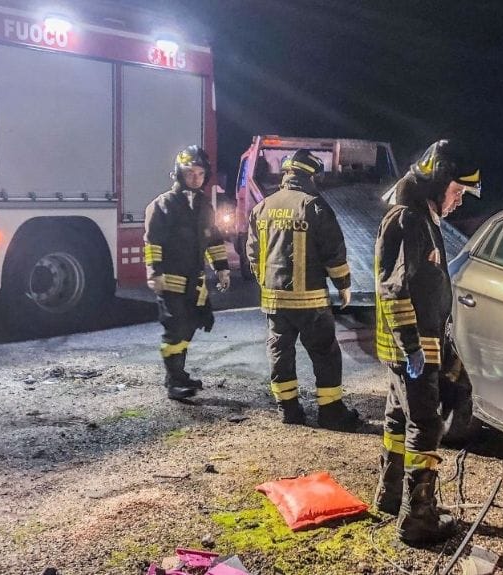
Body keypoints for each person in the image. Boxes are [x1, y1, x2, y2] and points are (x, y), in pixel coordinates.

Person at [372, 139, 481, 544]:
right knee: (425, 424)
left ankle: (391, 494)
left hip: (417, 344)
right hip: (413, 347)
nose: (459, 202)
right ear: (438, 182)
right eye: (457, 192)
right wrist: (412, 347)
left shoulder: (422, 216)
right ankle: (418, 519)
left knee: (398, 420)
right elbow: (394, 289)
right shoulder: (408, 220)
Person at [246, 149, 363, 430]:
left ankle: (289, 410)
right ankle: (330, 411)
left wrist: (267, 283)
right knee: (325, 353)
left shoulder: (262, 207)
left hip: (274, 300)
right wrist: (343, 285)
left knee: (280, 352)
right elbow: (334, 252)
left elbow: (253, 253)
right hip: (310, 301)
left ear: (287, 174)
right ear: (310, 175)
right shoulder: (315, 205)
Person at [144, 145, 231, 400]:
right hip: (170, 280)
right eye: (190, 172)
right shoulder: (163, 205)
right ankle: (174, 382)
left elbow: (213, 240)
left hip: (195, 282)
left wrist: (222, 269)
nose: (195, 177)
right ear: (179, 174)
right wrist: (155, 272)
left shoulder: (204, 205)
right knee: (176, 328)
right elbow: (153, 243)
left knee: (191, 325)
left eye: (200, 173)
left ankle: (179, 374)